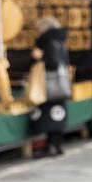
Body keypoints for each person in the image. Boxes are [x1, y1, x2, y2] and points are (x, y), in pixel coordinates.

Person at [31, 16, 70, 157]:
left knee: (49, 115)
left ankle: (51, 146)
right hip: (60, 84)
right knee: (58, 115)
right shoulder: (60, 42)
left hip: (50, 85)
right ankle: (57, 145)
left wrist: (39, 57)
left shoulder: (49, 43)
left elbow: (52, 63)